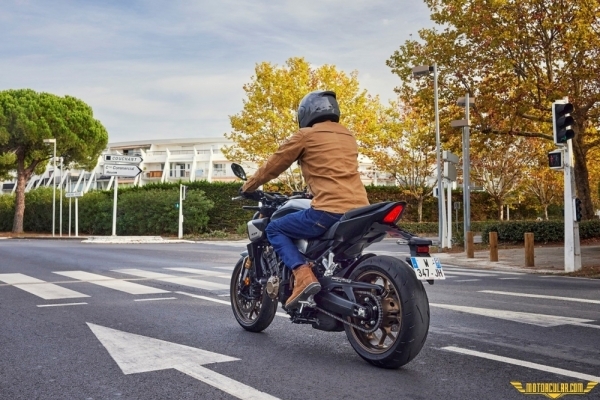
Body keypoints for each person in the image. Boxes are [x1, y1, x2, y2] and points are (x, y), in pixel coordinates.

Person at [240, 90, 369, 308]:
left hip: (330, 210)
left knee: (274, 229)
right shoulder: (348, 136)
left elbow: (274, 164)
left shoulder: (306, 135)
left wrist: (248, 185)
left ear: (307, 112)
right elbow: (335, 171)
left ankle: (302, 275)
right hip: (361, 210)